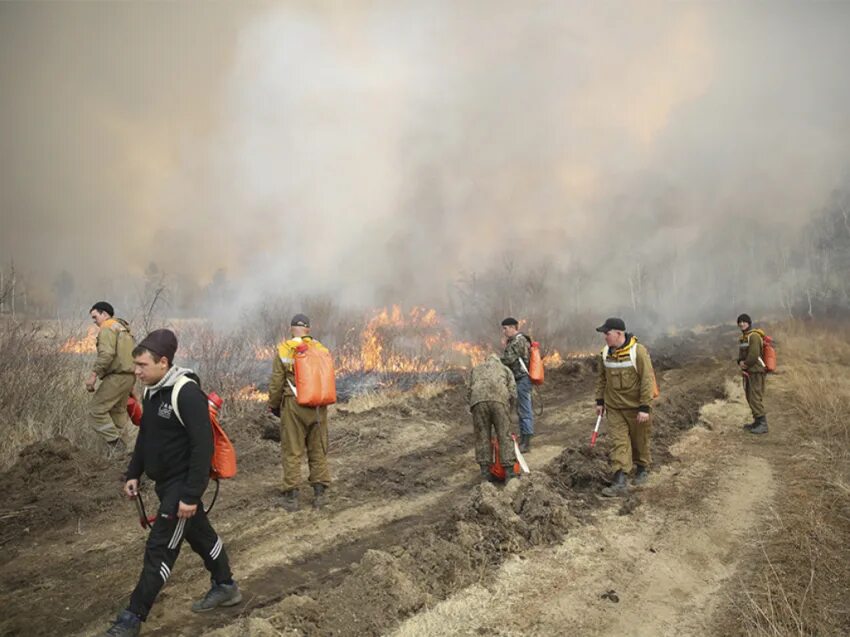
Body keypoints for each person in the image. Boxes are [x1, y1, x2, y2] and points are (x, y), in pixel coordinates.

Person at [100, 329, 241, 637]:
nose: (136, 372)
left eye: (142, 365)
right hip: (166, 484)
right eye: (135, 365)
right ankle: (226, 586)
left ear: (163, 362)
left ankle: (131, 618)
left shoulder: (186, 393)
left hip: (181, 488)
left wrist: (190, 495)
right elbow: (146, 438)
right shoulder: (153, 391)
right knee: (201, 535)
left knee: (160, 549)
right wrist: (133, 473)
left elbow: (202, 447)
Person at [268, 314, 332, 512]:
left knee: (292, 450)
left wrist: (274, 404)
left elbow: (277, 382)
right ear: (308, 330)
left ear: (291, 328)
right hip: (319, 407)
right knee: (318, 449)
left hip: (294, 405)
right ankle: (320, 495)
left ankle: (291, 497)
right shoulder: (322, 349)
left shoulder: (284, 349)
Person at [594, 318, 657, 497]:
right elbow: (601, 379)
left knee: (639, 440)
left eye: (607, 334)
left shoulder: (638, 351)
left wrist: (645, 407)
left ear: (619, 334)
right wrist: (600, 401)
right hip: (614, 408)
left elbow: (647, 380)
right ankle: (620, 479)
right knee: (618, 442)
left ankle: (642, 468)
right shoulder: (604, 353)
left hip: (636, 408)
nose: (605, 337)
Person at [86, 301, 137, 456]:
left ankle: (117, 445)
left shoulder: (107, 327)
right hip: (129, 377)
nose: (94, 321)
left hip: (116, 378)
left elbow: (106, 354)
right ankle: (126, 456)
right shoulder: (124, 329)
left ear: (105, 314)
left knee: (95, 411)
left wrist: (93, 375)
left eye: (95, 317)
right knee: (118, 413)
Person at [468, 354, 518, 481]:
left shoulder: (476, 369)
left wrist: (474, 407)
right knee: (504, 435)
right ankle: (509, 474)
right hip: (500, 400)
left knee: (482, 436)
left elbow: (469, 391)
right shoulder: (505, 369)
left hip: (478, 401)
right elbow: (513, 391)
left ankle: (485, 474)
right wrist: (509, 411)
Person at [500, 317, 534, 452]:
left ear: (513, 327)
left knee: (524, 410)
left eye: (505, 328)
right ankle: (524, 437)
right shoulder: (516, 340)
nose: (504, 331)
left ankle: (526, 441)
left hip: (522, 379)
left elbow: (508, 359)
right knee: (521, 409)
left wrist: (495, 360)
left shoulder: (518, 341)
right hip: (519, 379)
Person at [737, 313, 768, 434]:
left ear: (749, 323)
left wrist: (746, 364)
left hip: (756, 371)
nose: (741, 324)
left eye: (744, 321)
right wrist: (739, 362)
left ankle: (763, 424)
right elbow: (742, 355)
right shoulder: (744, 337)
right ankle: (757, 422)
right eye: (739, 322)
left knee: (755, 397)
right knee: (749, 396)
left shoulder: (754, 336)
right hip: (749, 371)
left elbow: (754, 354)